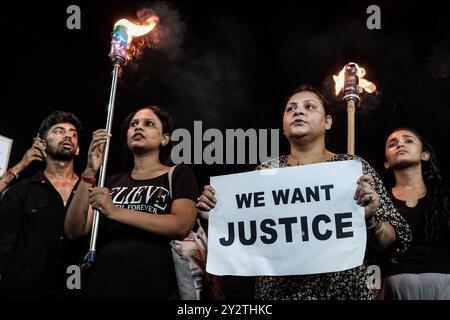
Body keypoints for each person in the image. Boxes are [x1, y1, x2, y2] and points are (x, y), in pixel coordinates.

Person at [197, 84, 412, 300]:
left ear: (328, 122)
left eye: (309, 107)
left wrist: (370, 220)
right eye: (291, 109)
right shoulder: (264, 173)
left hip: (343, 293)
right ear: (283, 126)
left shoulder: (354, 168)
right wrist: (217, 217)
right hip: (279, 295)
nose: (298, 112)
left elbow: (388, 242)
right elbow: (246, 239)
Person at [64, 105, 199, 299]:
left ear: (165, 138)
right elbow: (73, 230)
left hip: (154, 285)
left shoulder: (178, 174)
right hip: (103, 284)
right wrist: (90, 171)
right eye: (133, 124)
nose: (138, 127)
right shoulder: (109, 182)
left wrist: (115, 211)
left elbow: (181, 225)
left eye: (148, 123)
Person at [0, 110, 85, 299]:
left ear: (78, 149)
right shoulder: (20, 191)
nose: (68, 135)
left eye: (73, 133)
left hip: (72, 289)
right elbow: (5, 246)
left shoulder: (88, 191)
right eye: (59, 131)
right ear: (42, 144)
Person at [379, 128, 450, 299]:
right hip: (394, 284)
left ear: (424, 155)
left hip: (445, 281)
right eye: (392, 144)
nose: (400, 144)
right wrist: (372, 289)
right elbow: (373, 255)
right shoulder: (378, 200)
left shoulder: (444, 197)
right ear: (387, 163)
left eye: (408, 140)